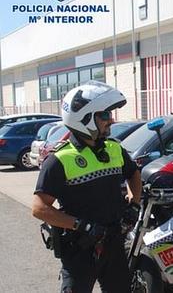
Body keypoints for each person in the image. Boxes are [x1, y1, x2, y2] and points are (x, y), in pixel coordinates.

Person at [32, 81, 142, 293]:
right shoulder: (59, 159)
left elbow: (134, 174)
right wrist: (80, 225)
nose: (111, 120)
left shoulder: (114, 149)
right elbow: (39, 208)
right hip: (79, 250)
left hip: (114, 244)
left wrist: (134, 204)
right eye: (105, 115)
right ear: (85, 118)